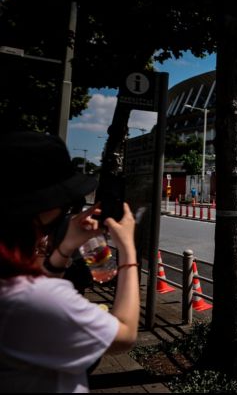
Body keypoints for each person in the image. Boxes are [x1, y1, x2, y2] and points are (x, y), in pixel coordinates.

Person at [0, 131, 140, 393]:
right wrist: (128, 249)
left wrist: (64, 249)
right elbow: (125, 335)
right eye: (62, 204)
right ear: (36, 212)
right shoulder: (33, 299)